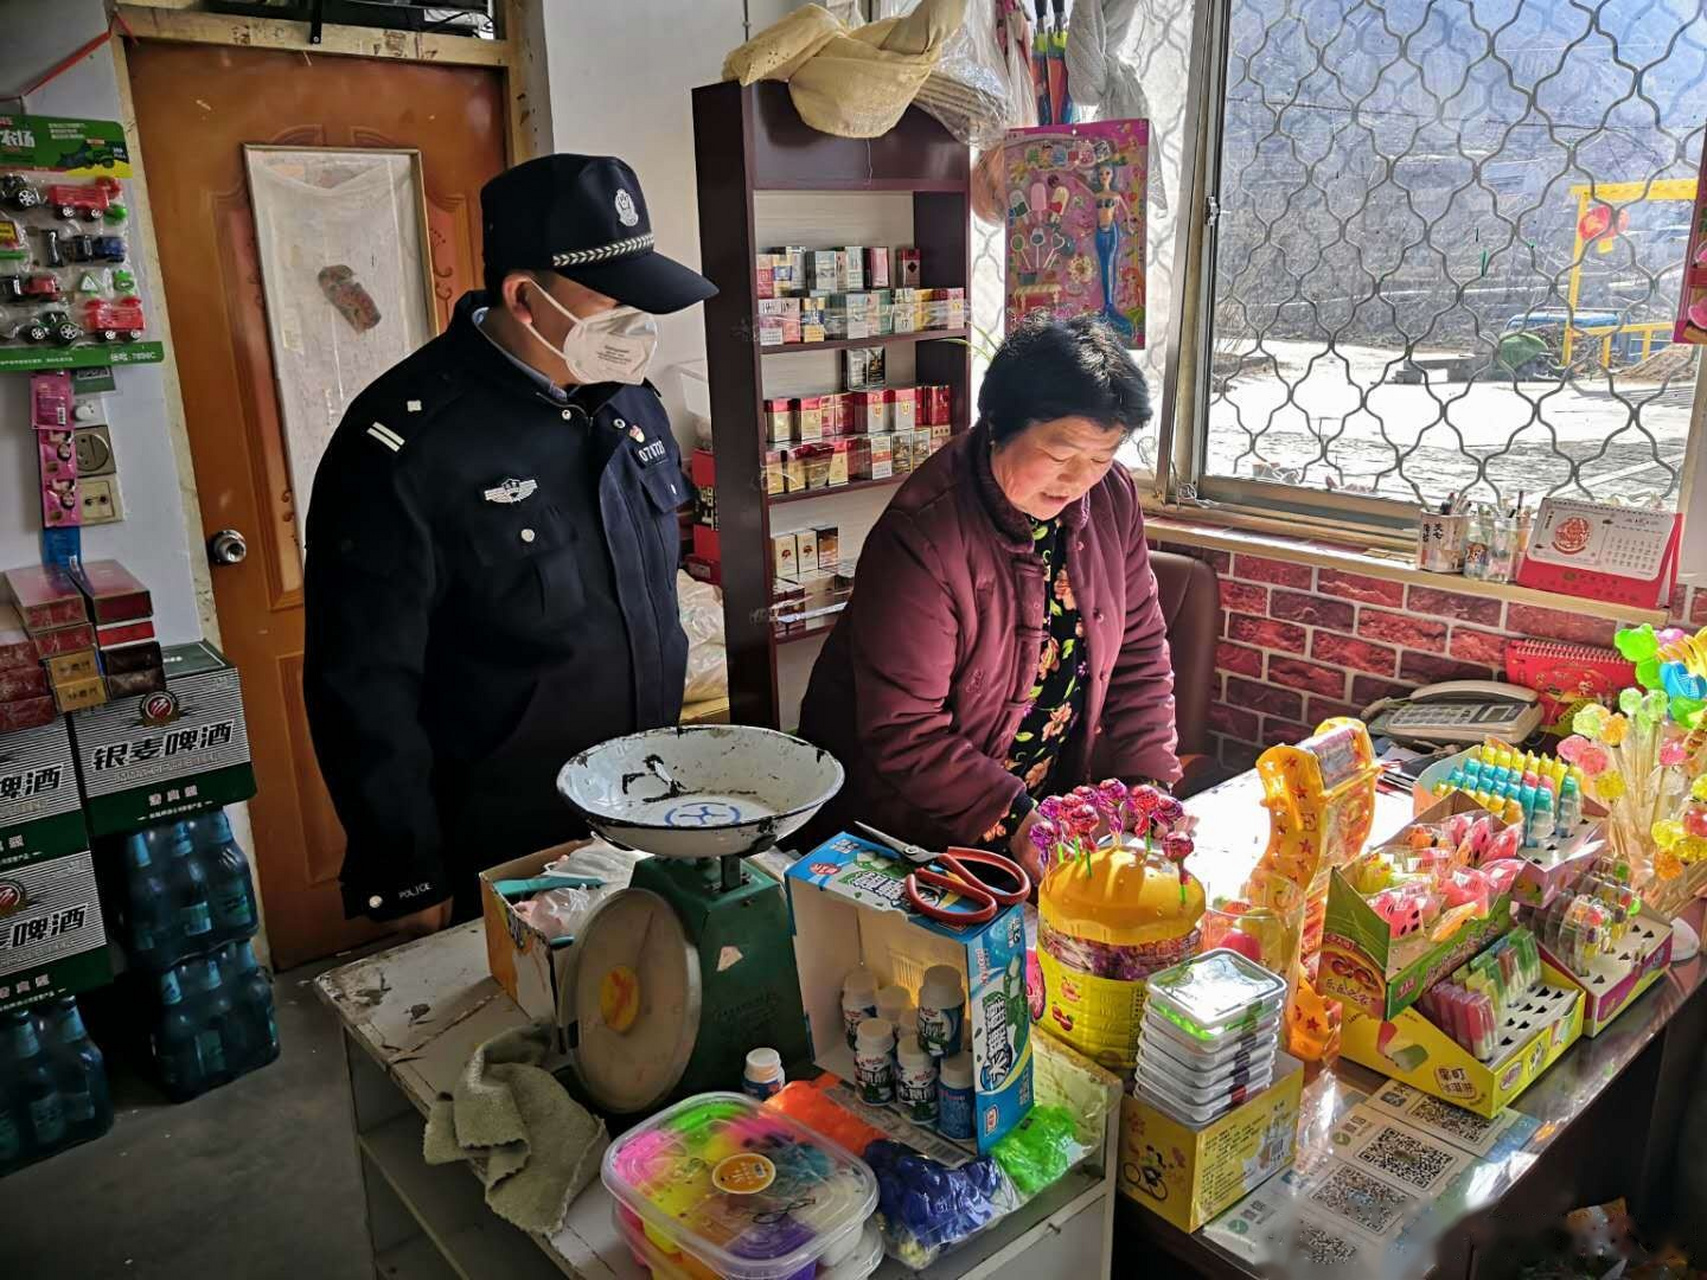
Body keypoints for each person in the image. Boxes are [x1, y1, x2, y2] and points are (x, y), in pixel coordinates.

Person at [303, 154, 715, 935]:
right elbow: (362, 680)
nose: (636, 324)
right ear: (525, 298)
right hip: (504, 840)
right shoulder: (405, 445)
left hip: (643, 804)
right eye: (614, 302)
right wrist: (405, 871)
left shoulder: (631, 405)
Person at [798, 314, 1178, 875]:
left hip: (1039, 809)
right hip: (910, 827)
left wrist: (1148, 784)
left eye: (1102, 458)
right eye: (1061, 455)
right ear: (998, 423)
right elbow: (906, 730)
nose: (1078, 479)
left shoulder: (1111, 499)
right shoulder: (925, 534)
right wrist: (1015, 820)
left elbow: (1140, 653)